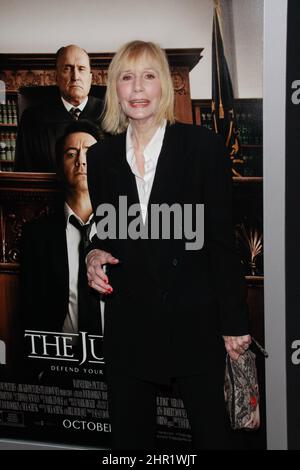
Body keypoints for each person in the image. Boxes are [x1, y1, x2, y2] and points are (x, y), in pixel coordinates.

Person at [86, 40, 251, 450]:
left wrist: (234, 324)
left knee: (212, 437)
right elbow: (103, 232)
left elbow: (220, 241)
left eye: (148, 76)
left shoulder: (202, 148)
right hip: (130, 325)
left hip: (195, 322)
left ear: (164, 86)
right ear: (114, 89)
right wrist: (91, 254)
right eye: (126, 77)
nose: (137, 88)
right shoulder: (101, 157)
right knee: (130, 446)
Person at [20, 120, 103, 347]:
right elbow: (29, 309)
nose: (81, 161)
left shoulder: (128, 231)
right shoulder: (36, 236)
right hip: (59, 363)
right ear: (59, 169)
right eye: (71, 154)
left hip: (119, 367)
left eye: (89, 153)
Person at [14, 44, 103, 172]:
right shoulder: (33, 119)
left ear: (90, 78)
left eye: (81, 69)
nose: (75, 77)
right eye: (67, 68)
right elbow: (23, 174)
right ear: (56, 77)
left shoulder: (110, 115)